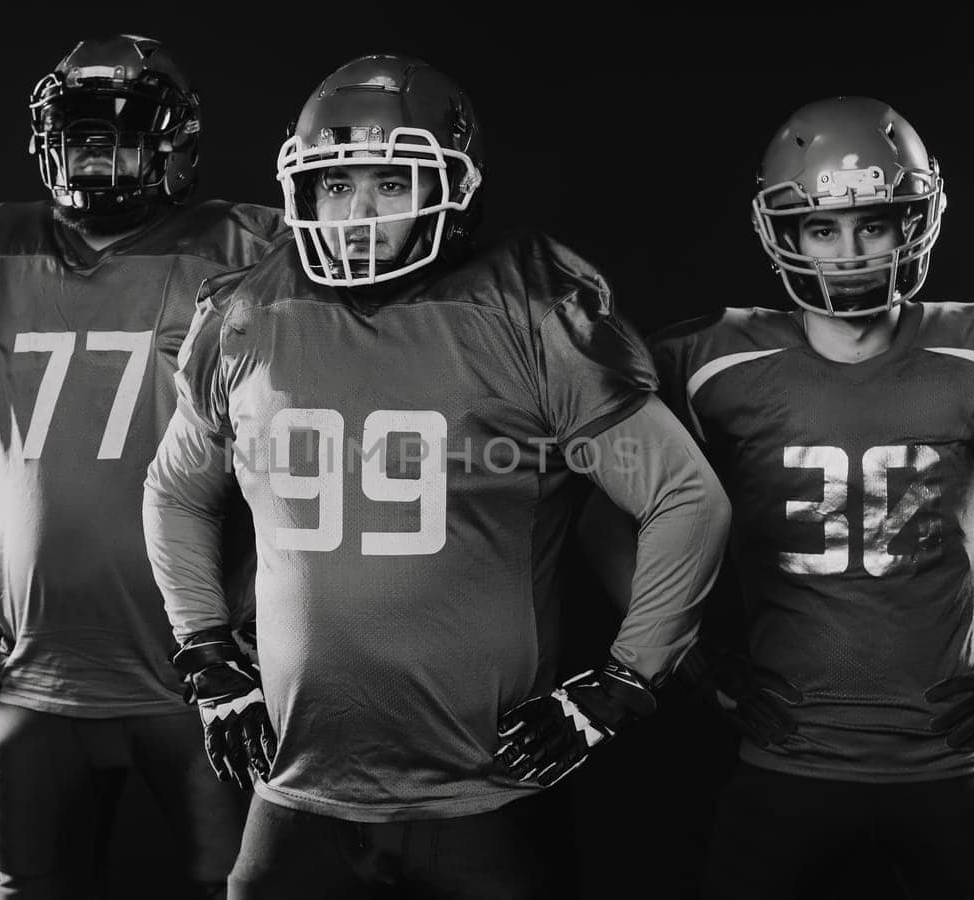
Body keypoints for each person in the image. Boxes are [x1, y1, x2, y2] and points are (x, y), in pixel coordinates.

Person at [141, 54, 731, 899]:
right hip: (297, 791)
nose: (358, 214)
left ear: (453, 187)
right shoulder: (244, 315)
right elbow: (176, 492)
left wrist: (622, 681)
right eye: (337, 186)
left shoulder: (529, 312)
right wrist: (205, 652)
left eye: (388, 184)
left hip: (485, 798)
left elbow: (684, 496)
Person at [583, 96, 974, 898]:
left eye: (873, 224)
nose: (849, 252)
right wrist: (692, 661)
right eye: (822, 229)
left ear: (914, 223)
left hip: (953, 765)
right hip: (783, 764)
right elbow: (606, 523)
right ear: (784, 234)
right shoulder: (713, 364)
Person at [0, 34, 283, 899]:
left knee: (240, 890)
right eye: (79, 130)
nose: (96, 152)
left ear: (175, 141)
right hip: (33, 671)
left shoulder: (247, 247)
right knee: (28, 888)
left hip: (207, 674)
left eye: (122, 130)